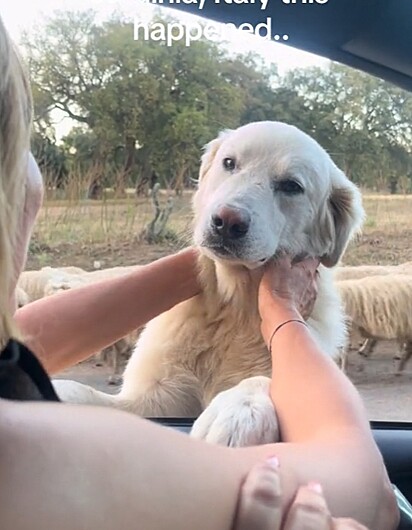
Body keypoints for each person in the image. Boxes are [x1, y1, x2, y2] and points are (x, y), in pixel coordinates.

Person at [0, 14, 399, 530]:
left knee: (73, 394)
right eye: (229, 166)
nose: (231, 208)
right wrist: (281, 313)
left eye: (289, 187)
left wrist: (205, 268)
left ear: (331, 229)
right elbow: (373, 495)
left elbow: (24, 344)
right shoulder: (18, 453)